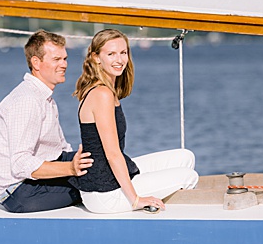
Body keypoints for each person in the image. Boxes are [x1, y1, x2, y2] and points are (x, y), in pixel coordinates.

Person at [72, 29, 198, 213]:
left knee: (185, 157)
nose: (119, 60)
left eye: (123, 53)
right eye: (111, 54)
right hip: (104, 193)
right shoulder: (102, 94)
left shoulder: (105, 89)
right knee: (189, 176)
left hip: (108, 179)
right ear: (96, 57)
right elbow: (113, 154)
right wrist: (135, 199)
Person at [0, 29, 94, 213]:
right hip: (19, 191)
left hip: (37, 176)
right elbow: (21, 164)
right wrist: (71, 168)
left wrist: (81, 160)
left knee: (99, 162)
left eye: (65, 58)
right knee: (97, 184)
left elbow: (61, 148)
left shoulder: (43, 96)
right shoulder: (27, 100)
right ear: (36, 62)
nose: (64, 64)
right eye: (56, 59)